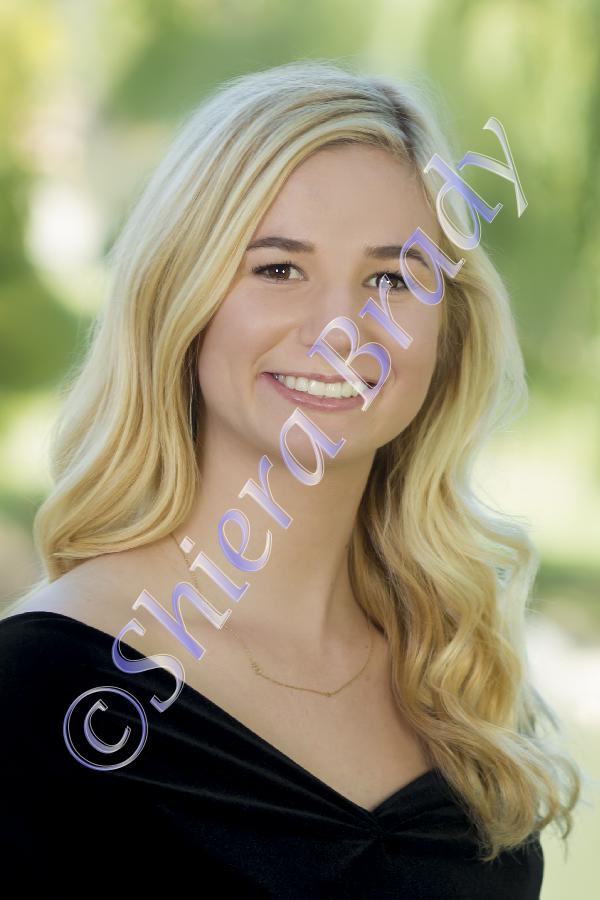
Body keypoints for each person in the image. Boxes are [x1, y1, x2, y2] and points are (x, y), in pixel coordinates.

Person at [0, 58, 581, 896]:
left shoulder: (459, 684)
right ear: (180, 296)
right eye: (278, 268)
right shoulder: (40, 690)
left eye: (391, 278)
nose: (342, 329)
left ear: (447, 330)